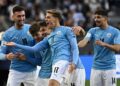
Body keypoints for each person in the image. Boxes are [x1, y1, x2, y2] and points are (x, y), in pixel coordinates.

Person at [5, 9, 85, 86]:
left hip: (69, 66)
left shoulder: (65, 30)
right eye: (40, 31)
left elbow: (77, 39)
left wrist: (80, 30)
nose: (42, 33)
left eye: (48, 17)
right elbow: (35, 51)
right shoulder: (46, 40)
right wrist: (15, 45)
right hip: (48, 73)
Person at [78, 9, 120, 86]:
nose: (96, 19)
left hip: (110, 68)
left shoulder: (115, 32)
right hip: (95, 68)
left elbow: (117, 48)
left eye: (98, 17)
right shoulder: (92, 31)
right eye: (95, 17)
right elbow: (84, 42)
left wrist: (104, 44)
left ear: (106, 18)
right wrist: (77, 43)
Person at [0, 5, 37, 86]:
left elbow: (37, 48)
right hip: (16, 71)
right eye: (19, 16)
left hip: (32, 71)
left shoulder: (31, 29)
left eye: (23, 16)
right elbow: (0, 54)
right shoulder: (7, 34)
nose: (22, 18)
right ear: (13, 17)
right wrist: (7, 56)